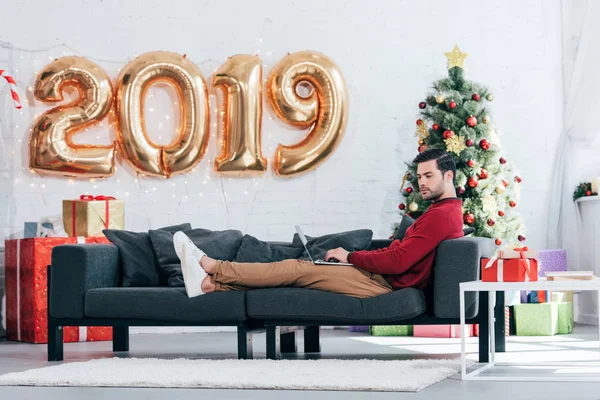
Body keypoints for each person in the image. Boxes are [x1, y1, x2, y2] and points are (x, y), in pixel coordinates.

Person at [173, 148, 464, 299]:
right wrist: (358, 260)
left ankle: (214, 267)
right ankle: (213, 286)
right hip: (381, 279)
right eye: (420, 176)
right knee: (300, 275)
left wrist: (350, 256)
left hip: (386, 286)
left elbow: (400, 260)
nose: (421, 182)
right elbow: (401, 252)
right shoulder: (442, 211)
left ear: (448, 176)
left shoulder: (441, 215)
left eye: (428, 176)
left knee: (299, 268)